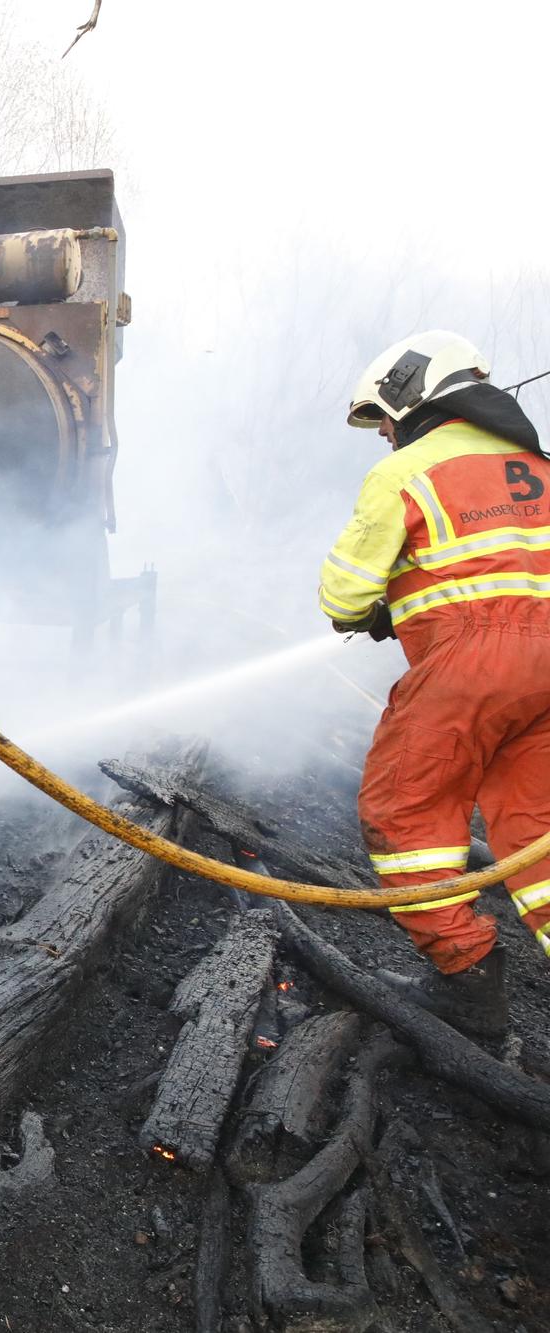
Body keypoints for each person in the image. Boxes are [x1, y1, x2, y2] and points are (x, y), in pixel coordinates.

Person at [318, 329, 550, 1036]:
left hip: (471, 664)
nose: (385, 435)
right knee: (538, 831)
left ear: (411, 396)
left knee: (404, 813)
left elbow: (343, 598)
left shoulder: (403, 473)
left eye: (383, 420)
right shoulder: (538, 467)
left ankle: (467, 979)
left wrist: (384, 606)